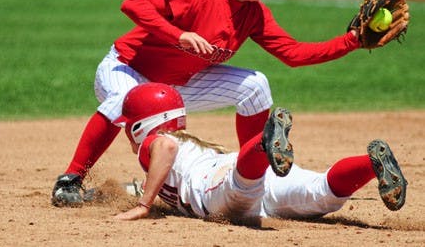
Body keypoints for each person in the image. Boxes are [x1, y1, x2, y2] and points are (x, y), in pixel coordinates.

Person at [52, 0, 361, 206]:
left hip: (176, 85)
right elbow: (133, 4)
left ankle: (249, 173)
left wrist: (354, 40)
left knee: (256, 86)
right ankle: (70, 180)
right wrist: (179, 35)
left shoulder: (253, 13)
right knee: (124, 99)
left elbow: (294, 54)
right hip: (127, 68)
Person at [113, 83, 407, 222]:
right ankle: (371, 164)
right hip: (241, 173)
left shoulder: (155, 141)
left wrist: (143, 204)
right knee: (323, 195)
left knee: (240, 188)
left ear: (140, 125)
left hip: (214, 183)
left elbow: (166, 147)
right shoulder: (191, 144)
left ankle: (264, 145)